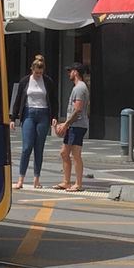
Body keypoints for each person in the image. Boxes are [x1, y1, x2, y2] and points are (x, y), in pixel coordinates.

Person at [9, 55, 57, 190]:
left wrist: (54, 116)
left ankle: (36, 179)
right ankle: (20, 179)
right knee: (26, 147)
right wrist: (13, 118)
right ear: (32, 69)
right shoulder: (25, 81)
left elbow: (53, 99)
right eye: (36, 72)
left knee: (39, 147)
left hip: (43, 114)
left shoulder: (48, 81)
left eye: (40, 73)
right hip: (29, 113)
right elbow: (18, 100)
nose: (38, 75)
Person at [53, 63, 89, 192]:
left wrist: (66, 124)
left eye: (70, 71)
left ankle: (78, 184)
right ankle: (66, 182)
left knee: (76, 155)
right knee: (64, 153)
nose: (69, 74)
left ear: (76, 72)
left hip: (77, 125)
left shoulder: (79, 88)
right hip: (73, 125)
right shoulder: (77, 87)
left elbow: (78, 110)